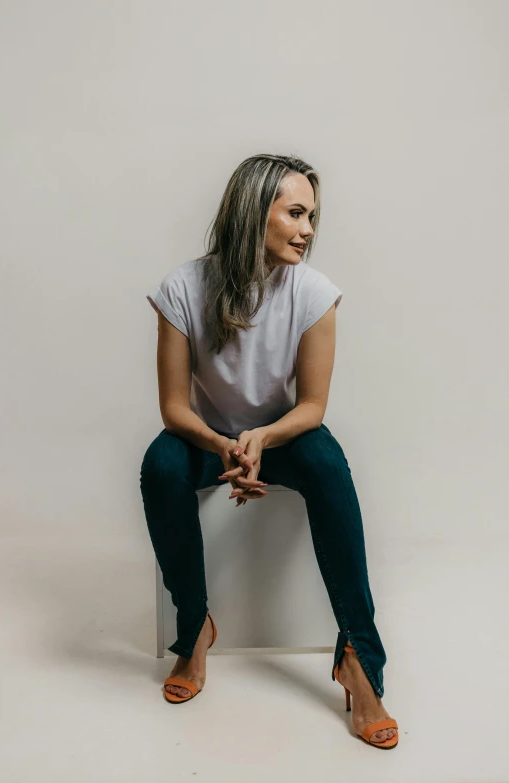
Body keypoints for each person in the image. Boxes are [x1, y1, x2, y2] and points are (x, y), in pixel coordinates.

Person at [140, 153, 398, 748]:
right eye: (296, 213)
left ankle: (360, 660)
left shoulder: (314, 292)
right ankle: (194, 630)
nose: (308, 229)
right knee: (160, 464)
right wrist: (225, 444)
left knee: (327, 462)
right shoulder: (182, 288)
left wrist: (261, 439)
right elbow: (174, 408)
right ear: (254, 213)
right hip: (206, 438)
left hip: (283, 438)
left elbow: (311, 408)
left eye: (313, 216)